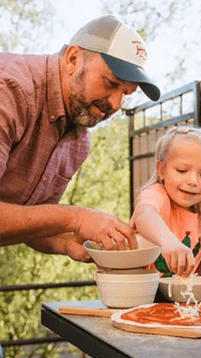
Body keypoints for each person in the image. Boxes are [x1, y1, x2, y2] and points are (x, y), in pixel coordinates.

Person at [0, 15, 161, 262]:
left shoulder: (78, 141)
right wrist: (77, 218)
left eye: (126, 94)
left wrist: (72, 242)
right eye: (110, 83)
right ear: (73, 58)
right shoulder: (10, 89)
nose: (115, 104)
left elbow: (30, 222)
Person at [131, 126, 201, 278]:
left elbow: (196, 268)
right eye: (182, 170)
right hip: (141, 294)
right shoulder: (157, 194)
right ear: (162, 170)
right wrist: (168, 242)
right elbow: (144, 215)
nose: (193, 181)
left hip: (176, 298)